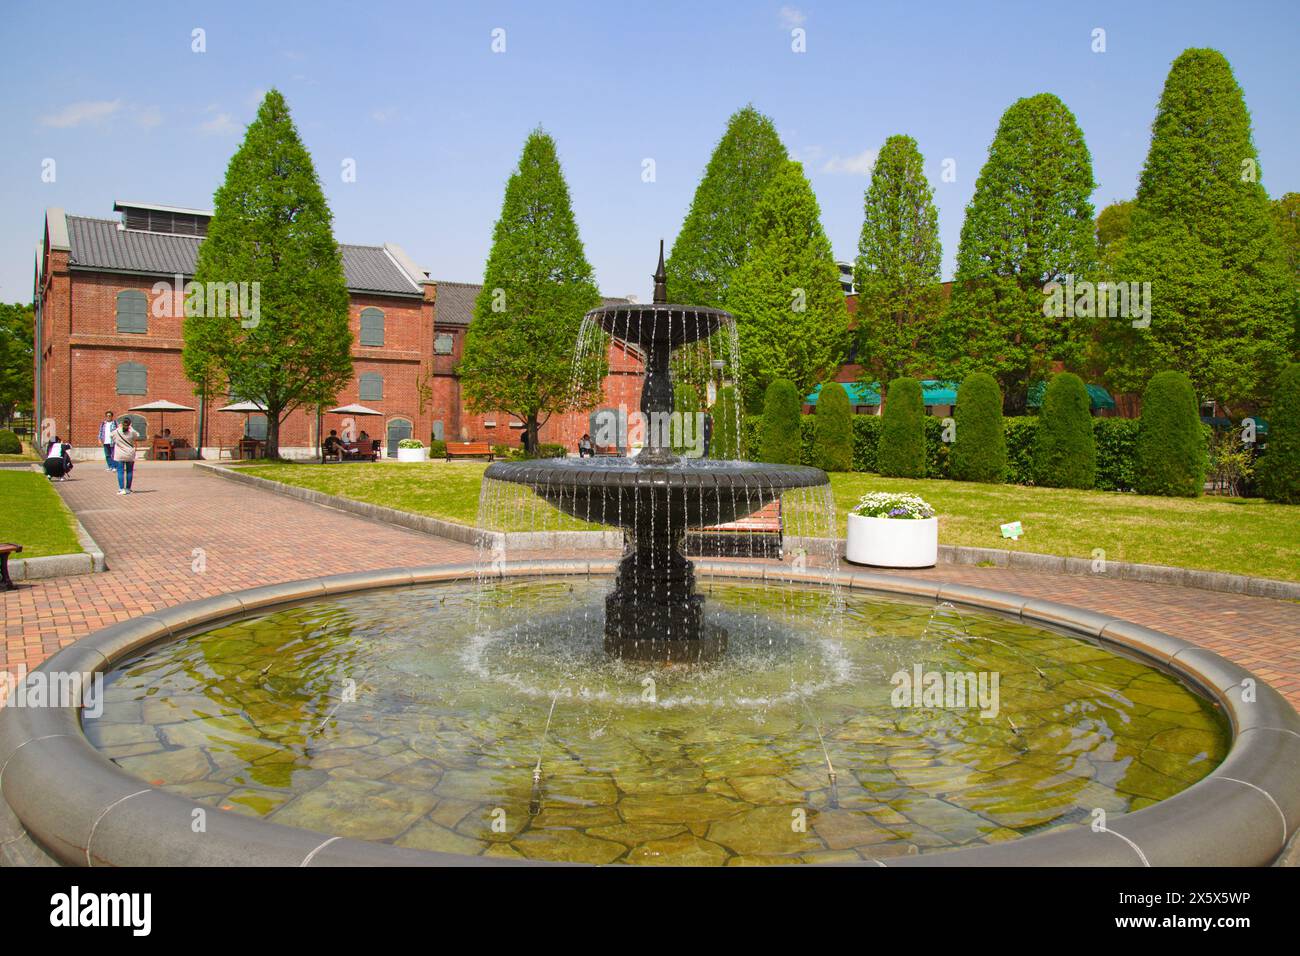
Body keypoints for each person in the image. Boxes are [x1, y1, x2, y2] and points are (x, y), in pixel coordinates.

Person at [112, 417, 139, 495]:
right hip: (129, 453)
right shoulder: (132, 432)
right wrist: (131, 428)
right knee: (129, 471)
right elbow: (136, 436)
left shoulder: (117, 431)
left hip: (119, 454)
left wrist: (119, 427)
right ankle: (128, 488)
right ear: (130, 424)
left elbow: (112, 436)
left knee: (120, 471)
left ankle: (121, 489)